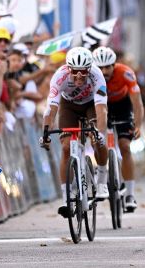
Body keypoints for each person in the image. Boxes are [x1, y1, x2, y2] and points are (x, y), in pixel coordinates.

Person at [39, 47, 110, 218]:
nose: (79, 76)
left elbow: (101, 109)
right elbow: (51, 108)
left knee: (96, 140)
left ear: (89, 69)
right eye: (75, 71)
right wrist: (46, 133)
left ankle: (101, 180)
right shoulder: (59, 76)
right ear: (69, 68)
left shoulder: (97, 75)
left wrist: (100, 132)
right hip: (69, 106)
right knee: (65, 148)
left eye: (83, 72)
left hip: (91, 105)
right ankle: (66, 197)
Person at [93, 46, 144, 212]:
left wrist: (138, 124)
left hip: (122, 106)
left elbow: (137, 102)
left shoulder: (126, 72)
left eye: (108, 66)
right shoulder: (92, 76)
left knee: (124, 146)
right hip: (101, 106)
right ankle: (101, 177)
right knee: (99, 143)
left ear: (114, 65)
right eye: (100, 67)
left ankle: (130, 194)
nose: (104, 70)